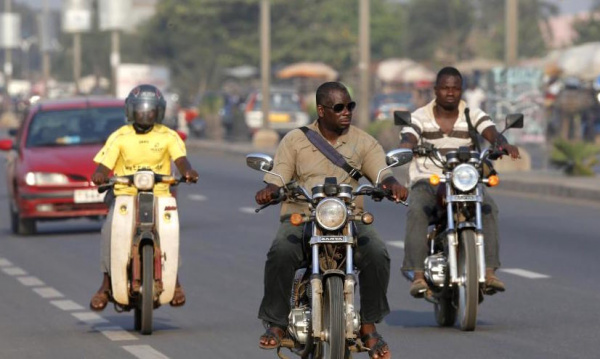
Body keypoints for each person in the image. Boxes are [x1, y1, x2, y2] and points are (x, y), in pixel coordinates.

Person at [255, 82, 408, 359]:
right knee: (280, 251)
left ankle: (369, 326)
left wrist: (391, 184)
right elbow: (279, 174)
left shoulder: (363, 141)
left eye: (350, 106)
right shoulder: (295, 140)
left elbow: (381, 172)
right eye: (339, 107)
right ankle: (276, 323)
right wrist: (271, 190)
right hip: (303, 217)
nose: (346, 112)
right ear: (322, 110)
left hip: (350, 217)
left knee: (377, 253)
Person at [399, 67, 520, 297]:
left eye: (455, 88)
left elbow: (491, 132)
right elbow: (409, 136)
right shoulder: (420, 116)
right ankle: (417, 275)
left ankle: (490, 272)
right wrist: (407, 146)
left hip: (465, 178)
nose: (450, 93)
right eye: (445, 88)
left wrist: (502, 144)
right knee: (416, 209)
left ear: (461, 90)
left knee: (488, 207)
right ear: (436, 90)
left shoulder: (472, 114)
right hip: (429, 179)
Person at [89, 84, 199, 311]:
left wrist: (188, 171)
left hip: (160, 194)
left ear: (158, 111)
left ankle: (175, 282)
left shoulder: (169, 136)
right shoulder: (119, 136)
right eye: (140, 110)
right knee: (110, 230)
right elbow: (104, 165)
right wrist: (100, 174)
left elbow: (180, 160)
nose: (145, 114)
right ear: (131, 111)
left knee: (170, 232)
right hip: (124, 195)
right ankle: (106, 284)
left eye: (150, 110)